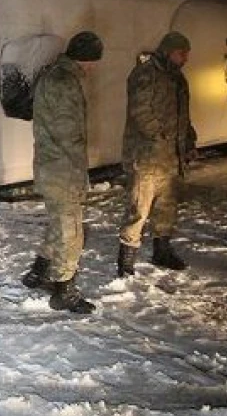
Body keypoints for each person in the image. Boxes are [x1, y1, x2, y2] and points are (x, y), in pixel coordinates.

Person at [20, 31, 102, 313]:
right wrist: (80, 173)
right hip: (63, 168)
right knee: (71, 231)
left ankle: (38, 272)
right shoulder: (66, 82)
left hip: (50, 165)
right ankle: (64, 291)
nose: (92, 69)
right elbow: (69, 134)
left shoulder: (52, 75)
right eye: (92, 62)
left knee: (58, 223)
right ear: (86, 59)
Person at [117, 31, 196, 277]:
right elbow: (140, 111)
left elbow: (183, 114)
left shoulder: (177, 78)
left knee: (167, 207)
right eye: (181, 53)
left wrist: (188, 139)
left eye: (186, 54)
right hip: (147, 156)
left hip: (171, 157)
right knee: (139, 208)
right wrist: (160, 135)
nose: (185, 58)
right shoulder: (145, 74)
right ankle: (126, 259)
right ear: (167, 51)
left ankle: (162, 249)